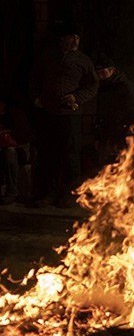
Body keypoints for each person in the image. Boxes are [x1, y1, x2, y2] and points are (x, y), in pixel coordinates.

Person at [30, 20, 100, 207]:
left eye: (77, 37)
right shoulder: (48, 57)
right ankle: (48, 194)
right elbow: (35, 78)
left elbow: (93, 85)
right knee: (48, 154)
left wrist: (76, 97)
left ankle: (69, 195)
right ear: (62, 38)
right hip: (48, 113)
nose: (75, 40)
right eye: (71, 37)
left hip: (70, 116)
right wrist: (36, 97)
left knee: (70, 155)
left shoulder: (83, 60)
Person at [92, 53, 134, 165]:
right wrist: (98, 136)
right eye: (98, 73)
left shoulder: (126, 87)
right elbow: (101, 114)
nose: (100, 76)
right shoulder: (102, 90)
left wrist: (133, 131)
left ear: (112, 70)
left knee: (129, 164)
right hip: (111, 135)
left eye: (103, 72)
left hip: (126, 134)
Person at [0, 93, 33, 204]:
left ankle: (12, 192)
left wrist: (9, 135)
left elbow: (25, 136)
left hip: (18, 148)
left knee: (9, 153)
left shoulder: (15, 114)